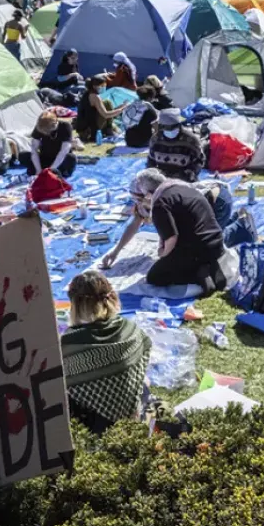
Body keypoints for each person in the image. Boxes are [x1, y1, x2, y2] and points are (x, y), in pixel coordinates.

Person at [102, 168, 228, 294]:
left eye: (140, 199)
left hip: (197, 248)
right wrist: (116, 251)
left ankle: (199, 273)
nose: (139, 204)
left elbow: (171, 238)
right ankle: (210, 264)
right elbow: (137, 220)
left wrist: (163, 255)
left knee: (155, 277)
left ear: (147, 195)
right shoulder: (183, 187)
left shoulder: (160, 202)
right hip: (216, 243)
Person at [60, 271, 151, 433]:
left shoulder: (71, 342)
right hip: (134, 411)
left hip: (100, 427)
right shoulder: (129, 328)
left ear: (76, 305)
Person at [147, 108, 204, 182]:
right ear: (161, 127)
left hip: (185, 181)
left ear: (179, 125)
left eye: (173, 127)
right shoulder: (155, 140)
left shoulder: (191, 140)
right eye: (166, 127)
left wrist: (191, 172)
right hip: (162, 180)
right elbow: (151, 159)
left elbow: (199, 160)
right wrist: (152, 174)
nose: (170, 130)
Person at [23, 110, 76, 178]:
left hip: (60, 159)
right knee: (23, 155)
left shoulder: (66, 126)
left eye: (47, 131)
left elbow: (64, 151)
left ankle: (61, 173)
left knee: (71, 158)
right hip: (45, 157)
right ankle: (41, 171)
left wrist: (51, 170)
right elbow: (34, 149)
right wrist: (38, 169)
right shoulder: (40, 127)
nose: (45, 133)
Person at [74, 74, 125, 142]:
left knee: (107, 102)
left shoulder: (88, 93)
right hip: (87, 130)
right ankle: (108, 129)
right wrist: (121, 110)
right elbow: (105, 114)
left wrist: (120, 107)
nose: (104, 87)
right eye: (102, 86)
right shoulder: (94, 96)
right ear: (95, 86)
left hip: (84, 126)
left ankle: (108, 129)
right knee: (107, 105)